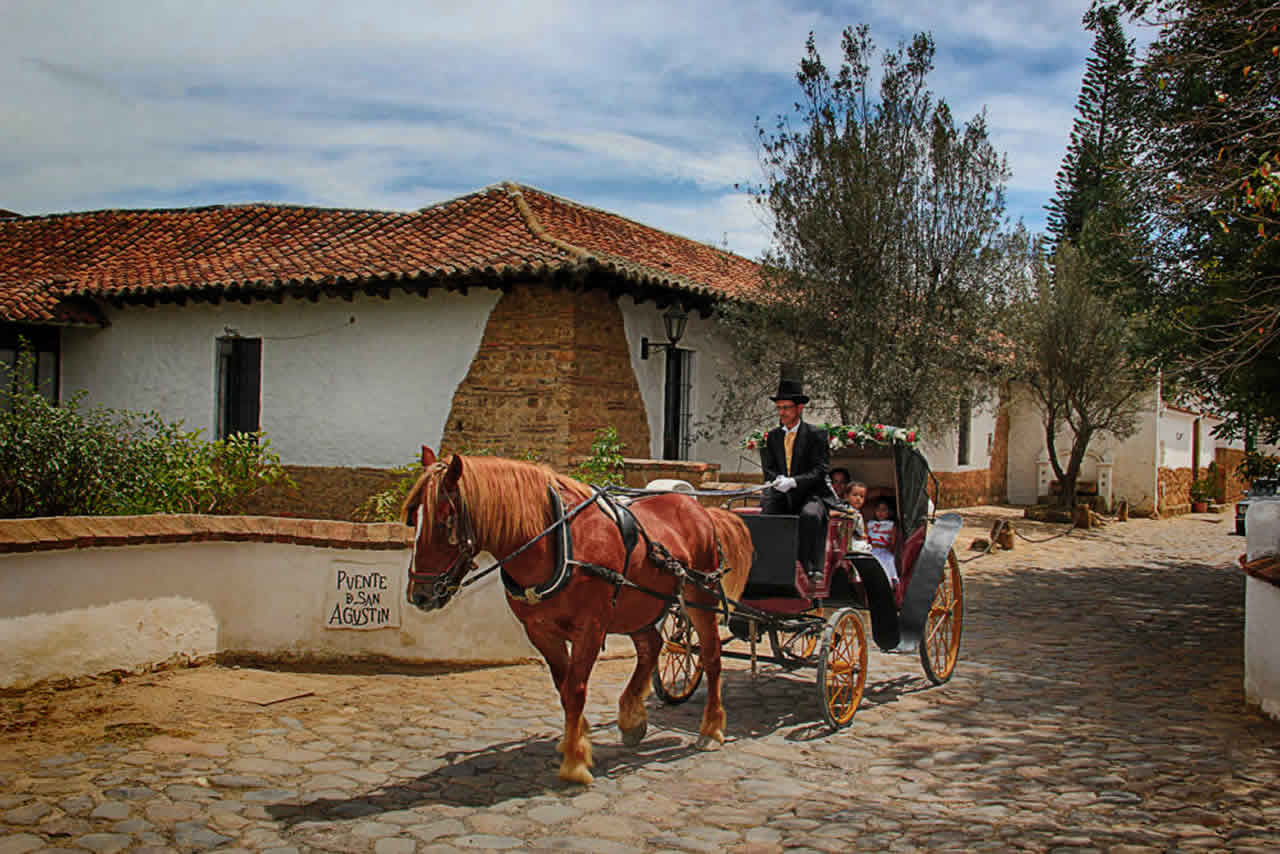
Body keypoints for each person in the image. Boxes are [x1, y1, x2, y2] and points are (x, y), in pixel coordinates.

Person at [759, 378, 830, 582]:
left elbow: (820, 470)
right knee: (766, 517)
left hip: (810, 494)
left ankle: (808, 566)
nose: (782, 412)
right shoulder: (773, 437)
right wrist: (777, 480)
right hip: (781, 494)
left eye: (786, 408)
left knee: (810, 515)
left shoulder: (816, 435)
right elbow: (769, 468)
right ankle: (769, 564)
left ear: (799, 408)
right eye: (779, 408)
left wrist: (794, 481)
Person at [867, 499, 899, 587]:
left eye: (884, 510)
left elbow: (892, 543)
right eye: (878, 509)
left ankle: (891, 581)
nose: (880, 512)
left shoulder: (891, 525)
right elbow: (866, 539)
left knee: (889, 559)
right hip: (870, 549)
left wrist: (882, 546)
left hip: (884, 550)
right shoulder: (869, 524)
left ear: (889, 512)